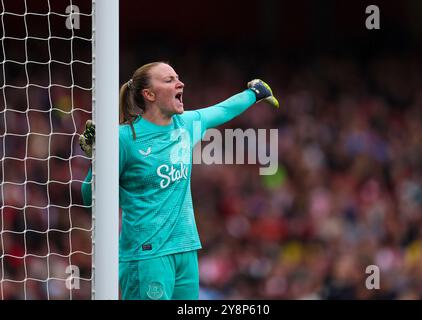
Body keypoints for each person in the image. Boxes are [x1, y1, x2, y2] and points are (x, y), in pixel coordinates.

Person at [79, 62, 279, 300]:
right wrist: (97, 162)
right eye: (168, 80)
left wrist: (254, 93)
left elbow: (224, 109)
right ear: (149, 94)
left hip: (185, 249)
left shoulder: (186, 124)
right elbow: (89, 199)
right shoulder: (124, 138)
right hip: (147, 255)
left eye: (177, 77)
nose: (180, 83)